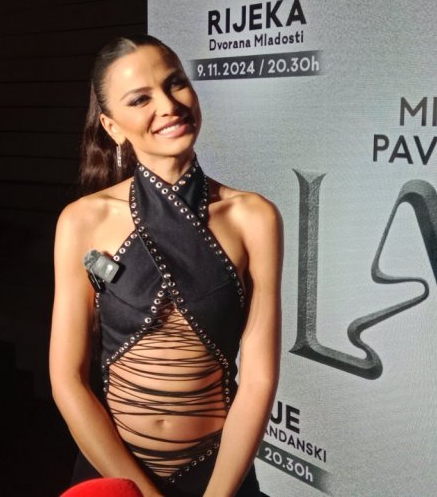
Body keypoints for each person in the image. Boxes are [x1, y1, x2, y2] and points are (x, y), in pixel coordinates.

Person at [50, 35, 281, 497]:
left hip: (221, 475)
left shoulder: (253, 217)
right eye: (140, 99)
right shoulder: (83, 221)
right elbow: (67, 380)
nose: (169, 106)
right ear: (113, 127)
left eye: (175, 84)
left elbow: (258, 378)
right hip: (114, 473)